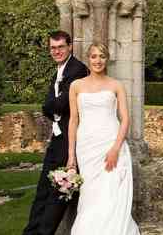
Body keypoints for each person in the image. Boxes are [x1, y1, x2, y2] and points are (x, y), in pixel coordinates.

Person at [66, 43, 139, 234]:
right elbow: (73, 120)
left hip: (111, 143)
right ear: (88, 59)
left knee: (111, 191)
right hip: (87, 146)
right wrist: (71, 155)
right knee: (90, 193)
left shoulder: (116, 85)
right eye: (94, 56)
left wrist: (115, 148)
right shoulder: (76, 86)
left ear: (107, 59)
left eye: (102, 56)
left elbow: (125, 119)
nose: (98, 60)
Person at [23, 31, 89, 235]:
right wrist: (50, 105)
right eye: (53, 48)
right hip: (58, 136)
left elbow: (59, 104)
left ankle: (44, 232)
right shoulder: (59, 71)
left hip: (70, 139)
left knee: (60, 190)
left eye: (61, 47)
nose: (56, 51)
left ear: (70, 47)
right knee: (43, 189)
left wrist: (50, 106)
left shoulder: (77, 69)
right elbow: (51, 105)